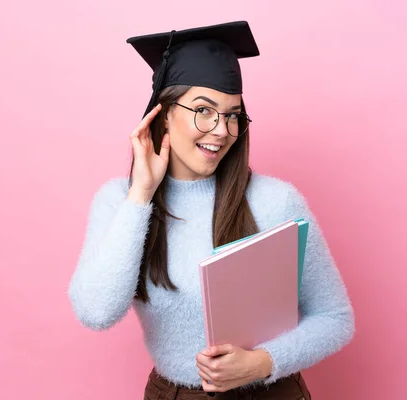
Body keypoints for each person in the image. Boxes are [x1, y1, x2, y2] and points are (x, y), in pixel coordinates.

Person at [68, 21, 355, 399]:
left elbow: (336, 318)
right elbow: (96, 313)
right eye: (204, 110)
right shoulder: (118, 202)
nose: (221, 130)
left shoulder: (276, 201)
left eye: (233, 115)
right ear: (163, 112)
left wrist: (264, 361)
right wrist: (141, 193)